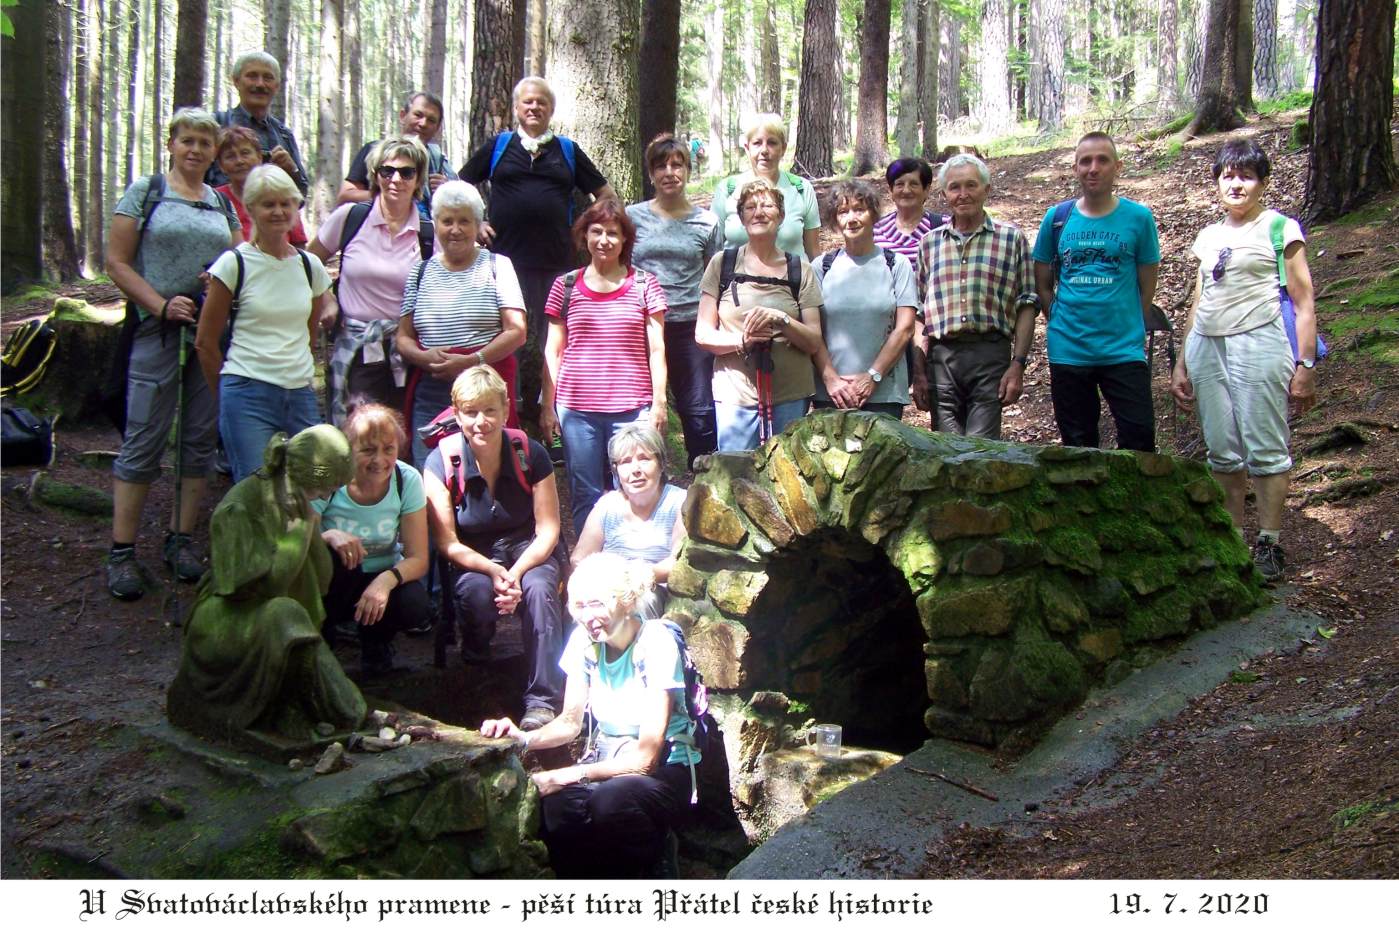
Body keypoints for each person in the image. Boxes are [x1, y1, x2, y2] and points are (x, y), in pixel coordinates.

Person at [480, 552, 699, 879]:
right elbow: (570, 723)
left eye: (597, 604)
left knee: (611, 801)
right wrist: (523, 740)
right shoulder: (584, 641)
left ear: (627, 601)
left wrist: (565, 774)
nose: (587, 616)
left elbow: (646, 761)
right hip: (609, 760)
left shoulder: (656, 643)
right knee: (555, 808)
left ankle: (656, 860)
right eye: (578, 606)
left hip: (666, 771)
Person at [104, 107, 242, 601]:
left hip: (209, 335)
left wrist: (216, 280)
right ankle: (122, 551)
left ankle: (180, 541)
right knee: (144, 435)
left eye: (204, 144)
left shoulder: (221, 204)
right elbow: (116, 262)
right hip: (154, 332)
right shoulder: (146, 193)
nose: (195, 150)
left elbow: (238, 259)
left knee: (199, 437)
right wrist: (161, 305)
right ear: (171, 143)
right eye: (187, 141)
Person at [1171, 138, 1318, 583]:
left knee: (1265, 447)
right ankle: (1231, 539)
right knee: (1222, 452)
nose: (1235, 184)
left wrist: (1305, 366)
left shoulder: (1280, 229)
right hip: (1208, 348)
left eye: (1246, 176)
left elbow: (1304, 300)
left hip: (1260, 342)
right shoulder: (1210, 236)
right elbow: (1199, 302)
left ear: (1263, 182)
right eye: (1227, 176)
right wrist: (1181, 361)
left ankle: (1270, 543)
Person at [167, 425, 366, 749]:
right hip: (227, 616)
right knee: (284, 613)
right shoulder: (239, 508)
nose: (325, 497)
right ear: (304, 477)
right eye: (323, 489)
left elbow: (322, 580)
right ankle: (327, 711)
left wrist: (312, 530)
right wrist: (298, 532)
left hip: (274, 614)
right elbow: (270, 586)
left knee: (290, 616)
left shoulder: (296, 504)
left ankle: (336, 710)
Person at [459, 76, 616, 420]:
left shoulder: (567, 150)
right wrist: (478, 222)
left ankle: (554, 416)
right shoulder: (498, 146)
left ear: (551, 109)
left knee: (556, 342)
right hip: (503, 264)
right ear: (516, 108)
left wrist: (585, 228)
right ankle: (503, 413)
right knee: (502, 341)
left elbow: (605, 194)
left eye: (541, 102)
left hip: (555, 263)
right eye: (527, 102)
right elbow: (461, 186)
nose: (534, 107)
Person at [423, 366, 566, 729]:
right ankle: (479, 684)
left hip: (528, 549)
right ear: (457, 415)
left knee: (538, 589)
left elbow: (549, 529)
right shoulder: (441, 461)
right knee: (475, 594)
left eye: (490, 411)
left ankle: (543, 699)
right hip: (474, 555)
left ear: (505, 410)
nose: (481, 421)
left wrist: (515, 574)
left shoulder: (529, 453)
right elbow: (446, 541)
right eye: (470, 412)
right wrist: (492, 571)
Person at [196, 165, 333, 484]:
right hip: (247, 390)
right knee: (258, 491)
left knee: (311, 483)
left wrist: (299, 371)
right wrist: (227, 396)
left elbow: (308, 335)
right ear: (251, 208)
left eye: (286, 203)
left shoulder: (308, 265)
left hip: (299, 393)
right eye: (268, 204)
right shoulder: (234, 263)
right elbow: (205, 341)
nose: (278, 211)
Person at [540, 199, 669, 531]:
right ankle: (592, 566)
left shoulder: (645, 285)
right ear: (584, 236)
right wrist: (548, 407)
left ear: (625, 239)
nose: (604, 240)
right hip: (577, 411)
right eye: (596, 231)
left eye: (613, 233)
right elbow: (553, 351)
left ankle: (637, 562)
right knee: (586, 493)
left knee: (637, 488)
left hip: (633, 409)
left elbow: (657, 349)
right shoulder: (565, 286)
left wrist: (659, 402)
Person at [1032, 131, 1161, 451]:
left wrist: (1128, 319)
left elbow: (1147, 284)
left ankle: (1132, 501)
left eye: (1102, 160)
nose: (1093, 168)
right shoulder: (1058, 219)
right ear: (1075, 168)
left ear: (1117, 167)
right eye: (1085, 161)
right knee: (1078, 443)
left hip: (1123, 349)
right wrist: (1057, 316)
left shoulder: (1138, 218)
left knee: (1139, 436)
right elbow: (1042, 279)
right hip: (1070, 348)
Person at [398, 180, 527, 466]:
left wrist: (471, 361)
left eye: (464, 221)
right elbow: (403, 336)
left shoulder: (498, 265)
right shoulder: (419, 272)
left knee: (487, 469)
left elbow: (517, 331)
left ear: (477, 225)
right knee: (429, 468)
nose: (455, 229)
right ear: (436, 223)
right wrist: (422, 357)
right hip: (432, 387)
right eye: (447, 221)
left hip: (485, 389)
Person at [911, 154, 1039, 438]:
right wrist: (919, 373)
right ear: (944, 194)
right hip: (942, 358)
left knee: (981, 449)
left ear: (987, 189)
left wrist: (1018, 365)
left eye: (971, 185)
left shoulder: (1011, 239)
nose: (963, 194)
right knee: (945, 449)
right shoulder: (930, 244)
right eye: (955, 187)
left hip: (990, 354)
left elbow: (1027, 304)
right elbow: (919, 313)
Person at [310, 136, 434, 425]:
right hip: (357, 349)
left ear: (418, 181)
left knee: (400, 435)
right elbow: (308, 261)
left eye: (406, 172)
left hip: (408, 351)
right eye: (387, 171)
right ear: (375, 176)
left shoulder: (428, 234)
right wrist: (326, 297)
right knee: (359, 432)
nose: (396, 179)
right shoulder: (351, 218)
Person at [696, 179, 825, 451]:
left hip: (791, 394)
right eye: (751, 207)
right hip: (735, 396)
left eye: (767, 205)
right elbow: (703, 334)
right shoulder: (723, 264)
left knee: (787, 478)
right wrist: (743, 340)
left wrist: (781, 319)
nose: (759, 212)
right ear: (741, 218)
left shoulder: (799, 269)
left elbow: (814, 341)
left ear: (781, 216)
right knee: (736, 478)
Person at [627, 133, 722, 468]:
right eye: (661, 165)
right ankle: (644, 485)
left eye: (677, 164)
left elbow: (715, 275)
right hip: (640, 325)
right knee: (639, 411)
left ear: (687, 170)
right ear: (651, 174)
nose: (669, 172)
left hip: (689, 327)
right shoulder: (632, 218)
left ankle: (704, 483)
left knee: (698, 410)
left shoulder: (707, 221)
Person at [313, 404, 430, 676]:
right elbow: (299, 537)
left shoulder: (406, 479)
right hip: (337, 574)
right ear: (349, 449)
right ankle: (323, 635)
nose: (379, 460)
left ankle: (376, 644)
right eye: (368, 450)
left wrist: (385, 580)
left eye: (388, 449)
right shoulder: (331, 477)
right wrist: (328, 535)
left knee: (415, 603)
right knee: (332, 558)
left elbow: (419, 558)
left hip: (381, 572)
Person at [812, 179, 918, 418]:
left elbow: (905, 328)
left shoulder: (896, 264)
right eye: (843, 211)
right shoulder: (821, 267)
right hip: (832, 393)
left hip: (884, 393)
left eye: (859, 209)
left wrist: (873, 376)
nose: (851, 218)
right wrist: (831, 379)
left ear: (873, 214)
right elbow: (812, 331)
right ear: (835, 220)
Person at [571, 424, 686, 602]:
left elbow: (679, 562)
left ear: (661, 464)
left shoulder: (679, 502)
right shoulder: (607, 505)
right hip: (604, 592)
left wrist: (632, 578)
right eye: (625, 462)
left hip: (653, 592)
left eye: (644, 459)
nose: (635, 469)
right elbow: (579, 558)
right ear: (616, 470)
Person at [711, 114, 820, 259]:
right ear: (747, 148)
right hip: (739, 280)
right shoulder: (727, 189)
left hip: (793, 280)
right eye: (757, 143)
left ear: (783, 148)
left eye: (772, 143)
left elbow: (813, 251)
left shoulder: (801, 189)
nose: (764, 150)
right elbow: (713, 250)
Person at [338, 91, 458, 219]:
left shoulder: (438, 161)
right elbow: (345, 196)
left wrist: (446, 192)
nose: (423, 123)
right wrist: (388, 196)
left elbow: (461, 206)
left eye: (431, 120)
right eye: (418, 115)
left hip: (425, 235)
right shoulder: (375, 151)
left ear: (437, 127)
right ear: (402, 116)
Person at [208, 51, 309, 194]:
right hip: (221, 214)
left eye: (268, 78)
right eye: (252, 76)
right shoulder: (215, 125)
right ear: (236, 81)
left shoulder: (284, 135)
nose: (260, 84)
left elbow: (301, 196)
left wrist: (292, 171)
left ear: (277, 86)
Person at [213, 126, 309, 247]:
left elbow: (299, 245)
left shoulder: (281, 193)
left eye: (245, 153)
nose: (239, 161)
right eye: (230, 156)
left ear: (259, 157)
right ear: (221, 165)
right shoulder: (215, 199)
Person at [872, 157, 950, 265]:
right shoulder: (875, 230)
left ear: (926, 190)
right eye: (899, 184)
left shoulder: (945, 227)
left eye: (914, 184)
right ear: (891, 191)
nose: (906, 190)